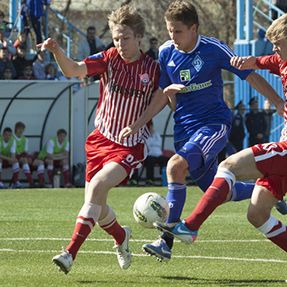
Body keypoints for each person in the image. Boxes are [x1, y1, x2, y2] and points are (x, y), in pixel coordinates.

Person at [119, 0, 285, 262]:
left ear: (194, 28)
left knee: (175, 167)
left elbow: (248, 74)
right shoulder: (165, 52)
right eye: (169, 31)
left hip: (214, 124)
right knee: (215, 189)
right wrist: (139, 123)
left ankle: (166, 241)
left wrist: (277, 100)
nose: (173, 37)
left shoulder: (213, 49)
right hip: (184, 128)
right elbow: (163, 94)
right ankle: (262, 191)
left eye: (178, 31)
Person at [39, 4, 160, 274]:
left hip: (130, 145)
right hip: (99, 141)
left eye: (125, 38)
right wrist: (57, 50)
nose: (120, 43)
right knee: (97, 205)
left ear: (138, 36)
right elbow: (72, 70)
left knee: (95, 191)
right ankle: (121, 237)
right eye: (116, 38)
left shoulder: (153, 69)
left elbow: (164, 97)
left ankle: (69, 254)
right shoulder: (107, 58)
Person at [144, 121, 169, 185]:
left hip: (158, 155)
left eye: (151, 126)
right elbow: (147, 145)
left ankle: (166, 178)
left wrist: (152, 141)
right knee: (150, 161)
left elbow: (159, 144)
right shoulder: (145, 135)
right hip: (149, 155)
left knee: (167, 160)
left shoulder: (156, 134)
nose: (150, 128)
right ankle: (150, 180)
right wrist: (152, 141)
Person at [14, 121, 34, 187]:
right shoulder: (12, 138)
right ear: (16, 129)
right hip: (12, 156)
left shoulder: (25, 139)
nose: (21, 130)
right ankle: (31, 182)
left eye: (22, 129)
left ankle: (33, 182)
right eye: (19, 128)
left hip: (21, 156)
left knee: (29, 160)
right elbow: (12, 151)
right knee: (24, 160)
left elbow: (25, 151)